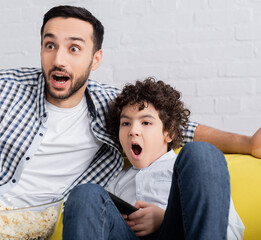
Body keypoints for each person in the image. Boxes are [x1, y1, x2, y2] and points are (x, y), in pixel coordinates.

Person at [0, 5, 261, 239]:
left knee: (201, 155)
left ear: (95, 58)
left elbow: (178, 129)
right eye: (49, 45)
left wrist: (247, 143)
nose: (59, 59)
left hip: (32, 225)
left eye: (74, 48)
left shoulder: (107, 105)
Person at [63, 78, 244, 239]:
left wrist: (164, 219)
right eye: (125, 123)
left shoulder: (189, 168)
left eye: (146, 123)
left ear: (169, 133)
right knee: (86, 193)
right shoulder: (116, 180)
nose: (133, 130)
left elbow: (231, 230)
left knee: (202, 152)